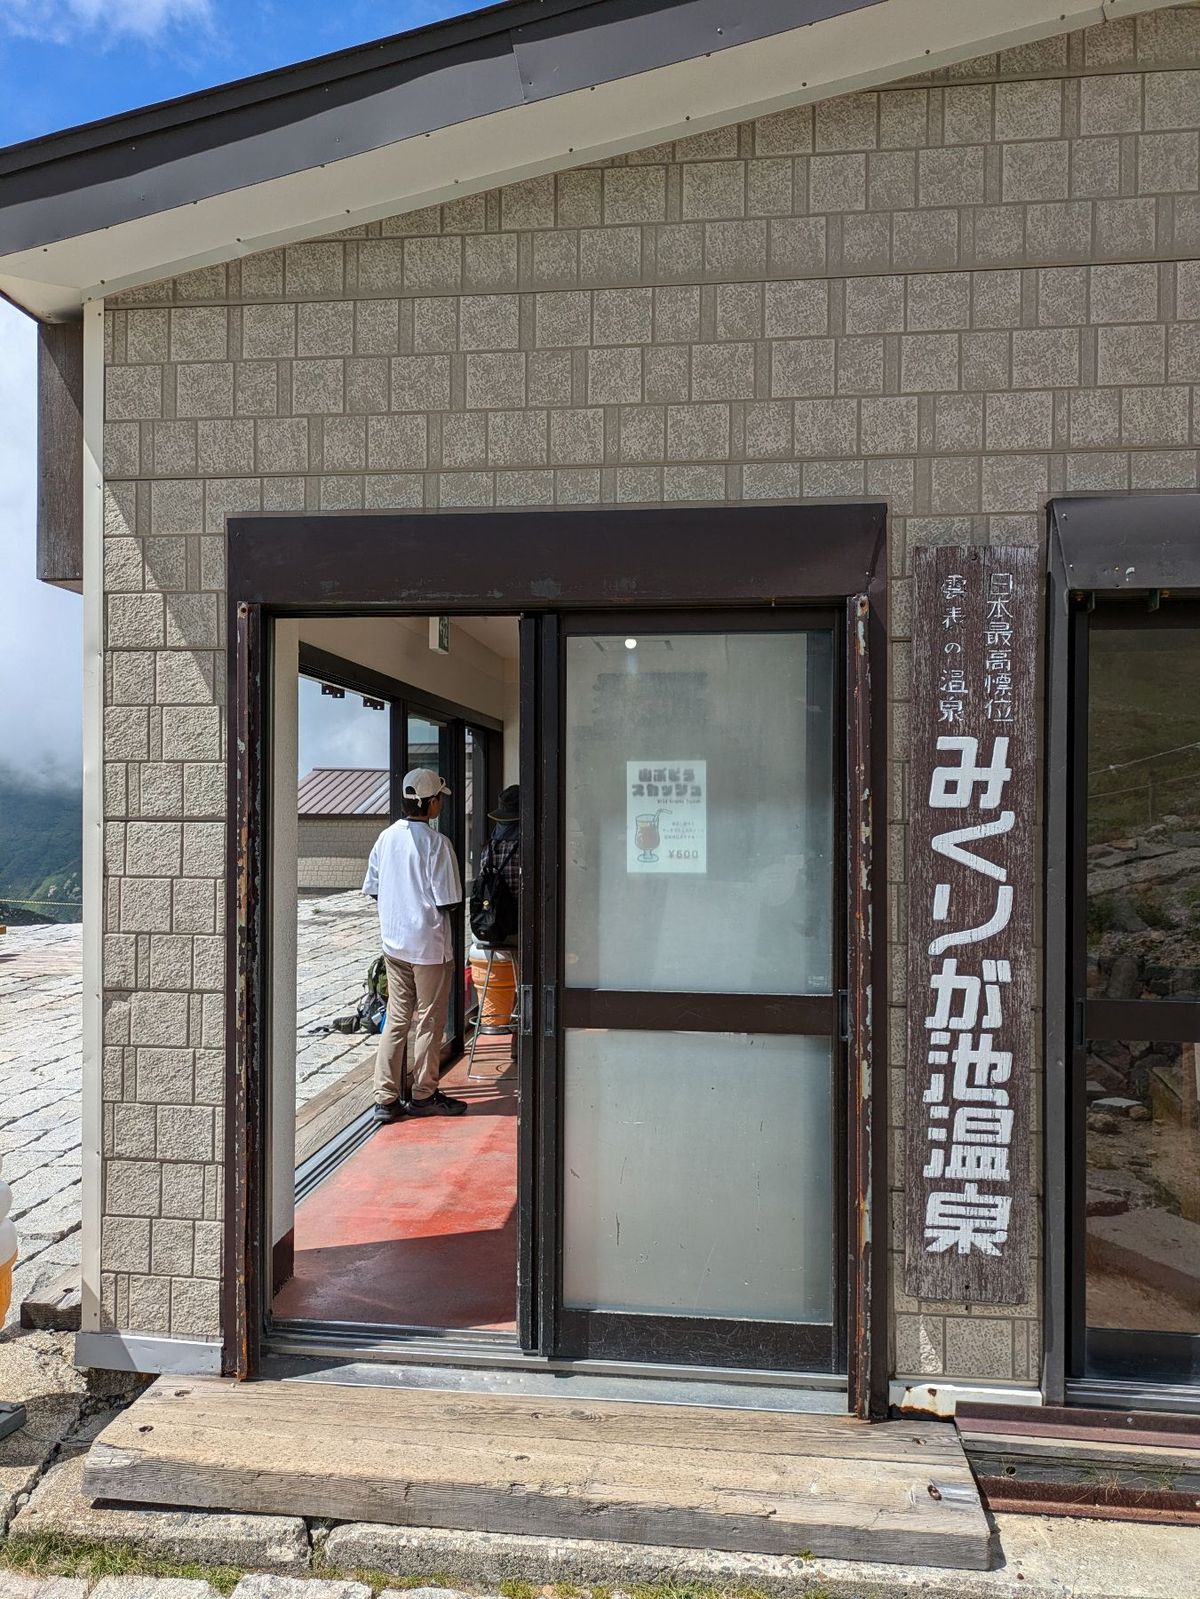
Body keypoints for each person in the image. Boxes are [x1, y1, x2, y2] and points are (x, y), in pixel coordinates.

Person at [363, 767, 467, 1124]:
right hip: (429, 946)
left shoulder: (385, 838)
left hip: (394, 944)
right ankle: (423, 1094)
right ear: (430, 802)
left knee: (396, 1017)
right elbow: (448, 900)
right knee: (429, 1020)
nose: (440, 803)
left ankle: (385, 1097)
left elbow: (374, 889)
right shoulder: (437, 844)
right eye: (439, 797)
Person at [473, 785, 520, 1060]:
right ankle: (521, 1044)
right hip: (520, 931)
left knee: (518, 980)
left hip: (492, 933)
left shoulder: (489, 847)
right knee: (533, 982)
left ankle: (500, 1023)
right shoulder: (530, 844)